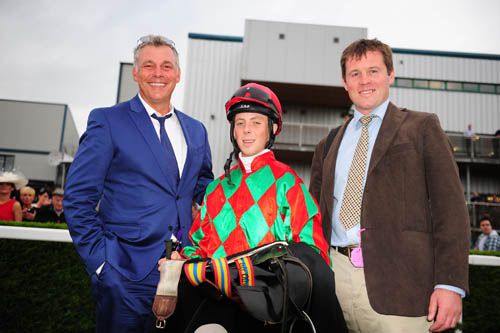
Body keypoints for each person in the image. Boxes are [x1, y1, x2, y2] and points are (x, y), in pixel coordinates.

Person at [309, 39, 470, 333]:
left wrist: (450, 284)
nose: (365, 80)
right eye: (355, 73)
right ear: (345, 82)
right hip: (335, 283)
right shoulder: (328, 143)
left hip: (403, 289)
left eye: (373, 70)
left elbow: (451, 211)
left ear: (390, 75)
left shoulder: (422, 127)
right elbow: (312, 216)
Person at [160, 83, 346, 333]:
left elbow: (313, 254)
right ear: (233, 131)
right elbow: (198, 245)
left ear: (273, 128)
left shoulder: (288, 182)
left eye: (256, 122)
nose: (247, 130)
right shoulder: (216, 189)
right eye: (240, 123)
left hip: (269, 310)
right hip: (218, 304)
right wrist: (179, 259)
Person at [64, 34, 213, 332]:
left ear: (178, 74)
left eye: (166, 66)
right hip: (123, 275)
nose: (158, 73)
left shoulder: (196, 131)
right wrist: (103, 265)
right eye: (149, 65)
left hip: (181, 273)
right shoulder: (108, 122)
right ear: (135, 73)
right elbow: (77, 198)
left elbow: (207, 192)